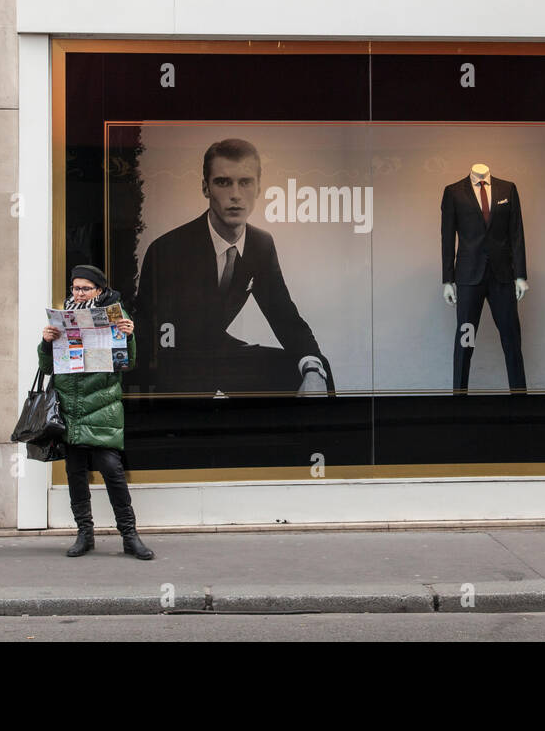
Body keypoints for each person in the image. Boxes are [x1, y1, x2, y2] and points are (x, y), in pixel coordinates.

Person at [134, 138, 333, 396]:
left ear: (259, 189)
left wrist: (311, 366)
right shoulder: (168, 249)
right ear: (206, 188)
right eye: (223, 182)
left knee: (315, 370)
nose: (236, 194)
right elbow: (153, 329)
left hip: (219, 353)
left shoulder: (261, 244)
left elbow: (283, 314)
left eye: (245, 182)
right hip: (176, 358)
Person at [40, 264, 154, 559]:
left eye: (85, 288)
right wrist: (46, 343)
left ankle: (130, 536)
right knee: (75, 474)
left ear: (100, 290)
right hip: (70, 408)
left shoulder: (115, 314)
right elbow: (47, 368)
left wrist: (129, 336)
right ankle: (84, 534)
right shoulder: (62, 316)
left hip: (102, 407)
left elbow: (128, 363)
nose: (78, 293)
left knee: (113, 473)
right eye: (75, 288)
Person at [440, 163, 528, 393]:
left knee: (511, 340)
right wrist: (447, 280)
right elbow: (447, 237)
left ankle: (521, 398)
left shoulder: (507, 189)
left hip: (503, 277)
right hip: (469, 278)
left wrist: (520, 275)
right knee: (465, 341)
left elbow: (516, 233)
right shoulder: (454, 192)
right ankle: (459, 397)